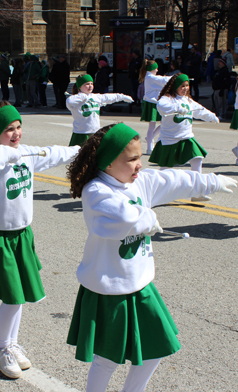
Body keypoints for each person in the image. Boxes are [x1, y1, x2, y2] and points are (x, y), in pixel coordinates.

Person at [66, 122, 237, 392]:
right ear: (109, 163)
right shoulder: (96, 191)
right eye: (132, 159)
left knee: (156, 346)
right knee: (107, 359)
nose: (139, 165)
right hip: (110, 288)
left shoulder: (139, 182)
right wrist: (148, 219)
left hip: (140, 283)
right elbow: (119, 217)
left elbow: (173, 179)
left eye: (140, 158)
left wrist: (213, 181)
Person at [0, 100, 80, 379]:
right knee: (13, 298)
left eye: (18, 127)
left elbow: (54, 154)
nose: (16, 134)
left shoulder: (25, 153)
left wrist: (84, 148)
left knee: (18, 298)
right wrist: (6, 152)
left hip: (21, 235)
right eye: (8, 130)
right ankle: (2, 347)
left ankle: (10, 343)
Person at [149, 74, 219, 202]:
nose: (185, 88)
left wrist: (211, 116)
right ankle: (155, 193)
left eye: (187, 86)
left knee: (197, 159)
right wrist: (177, 108)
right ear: (175, 86)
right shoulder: (167, 98)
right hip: (170, 139)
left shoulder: (188, 100)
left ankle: (197, 192)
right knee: (165, 170)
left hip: (186, 138)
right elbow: (161, 107)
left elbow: (199, 110)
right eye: (182, 86)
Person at [66, 74, 133, 146]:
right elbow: (69, 102)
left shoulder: (96, 97)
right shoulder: (77, 99)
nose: (90, 86)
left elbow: (109, 97)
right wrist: (83, 97)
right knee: (77, 155)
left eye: (91, 83)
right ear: (80, 86)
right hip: (80, 133)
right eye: (87, 84)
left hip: (95, 132)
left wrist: (122, 97)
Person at [139, 59, 173, 154]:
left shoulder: (152, 77)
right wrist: (176, 77)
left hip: (156, 103)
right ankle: (149, 148)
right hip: (151, 103)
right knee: (152, 126)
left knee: (164, 122)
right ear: (151, 69)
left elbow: (162, 80)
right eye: (156, 68)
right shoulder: (150, 77)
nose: (157, 70)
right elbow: (163, 80)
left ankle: (150, 137)